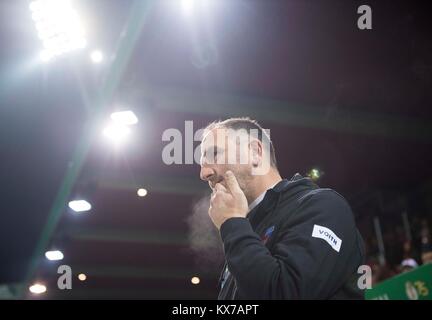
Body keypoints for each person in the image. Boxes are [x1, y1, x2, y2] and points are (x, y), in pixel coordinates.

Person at [199, 117, 365, 299]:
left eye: (214, 154)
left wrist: (232, 223)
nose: (204, 173)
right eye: (202, 164)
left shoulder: (323, 206)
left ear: (255, 152)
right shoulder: (245, 236)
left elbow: (285, 293)